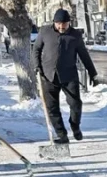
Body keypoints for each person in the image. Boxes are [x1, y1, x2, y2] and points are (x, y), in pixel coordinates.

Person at [33, 9, 98, 144]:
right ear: (54, 22)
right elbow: (36, 49)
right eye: (59, 24)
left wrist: (92, 73)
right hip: (48, 75)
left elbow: (84, 55)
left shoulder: (75, 35)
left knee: (75, 104)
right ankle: (61, 134)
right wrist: (37, 66)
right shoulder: (45, 32)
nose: (61, 27)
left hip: (69, 75)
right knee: (52, 107)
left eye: (64, 24)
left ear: (69, 23)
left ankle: (75, 126)